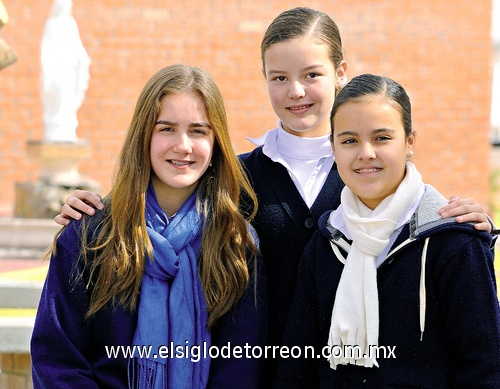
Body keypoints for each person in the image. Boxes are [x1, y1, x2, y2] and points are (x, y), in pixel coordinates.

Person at [52, 7, 495, 387]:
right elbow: (160, 190)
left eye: (312, 74)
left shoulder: (366, 171)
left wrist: (469, 218)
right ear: (264, 78)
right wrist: (96, 207)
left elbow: (419, 217)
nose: (296, 91)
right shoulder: (234, 177)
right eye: (280, 77)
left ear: (342, 73)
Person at [31, 64, 267, 389]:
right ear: (144, 135)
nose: (182, 145)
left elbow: (240, 368)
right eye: (166, 128)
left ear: (216, 143)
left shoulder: (236, 243)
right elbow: (56, 358)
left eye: (198, 130)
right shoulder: (89, 237)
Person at [275, 74, 500, 388]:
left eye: (381, 137)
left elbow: (484, 369)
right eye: (350, 140)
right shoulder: (325, 241)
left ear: (409, 142)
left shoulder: (454, 241)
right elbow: (297, 365)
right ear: (333, 147)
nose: (365, 152)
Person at [41, 0, 90, 142]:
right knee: (57, 97)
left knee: (66, 95)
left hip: (68, 69)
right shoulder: (51, 24)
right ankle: (55, 124)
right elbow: (46, 48)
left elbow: (77, 47)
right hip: (56, 68)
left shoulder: (70, 24)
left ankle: (65, 124)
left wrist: (82, 58)